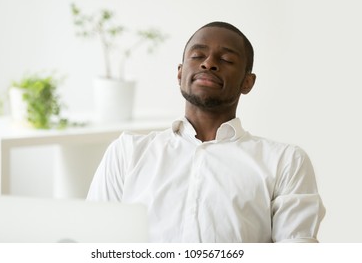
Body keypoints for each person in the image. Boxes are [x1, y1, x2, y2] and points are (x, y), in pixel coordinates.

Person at [87, 21, 326, 242]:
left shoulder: (285, 162)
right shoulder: (127, 152)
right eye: (198, 55)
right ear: (180, 73)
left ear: (247, 82)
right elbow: (95, 242)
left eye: (227, 59)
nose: (208, 63)